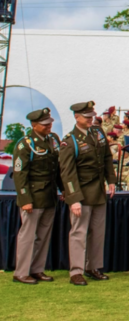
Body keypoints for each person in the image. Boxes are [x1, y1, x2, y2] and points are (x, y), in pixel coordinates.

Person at [59, 101, 117, 286]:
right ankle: (76, 271)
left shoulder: (98, 132)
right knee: (79, 232)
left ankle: (93, 267)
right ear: (77, 117)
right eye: (87, 117)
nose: (91, 119)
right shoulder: (70, 140)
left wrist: (112, 181)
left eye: (92, 116)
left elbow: (107, 157)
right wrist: (74, 198)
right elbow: (67, 172)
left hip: (98, 191)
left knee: (97, 232)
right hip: (82, 193)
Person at [11, 108, 63, 285]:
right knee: (28, 235)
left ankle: (37, 269)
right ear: (34, 125)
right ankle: (21, 272)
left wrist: (63, 190)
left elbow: (56, 169)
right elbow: (20, 174)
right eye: (45, 124)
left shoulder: (53, 140)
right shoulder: (25, 144)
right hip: (33, 196)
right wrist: (25, 200)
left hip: (49, 196)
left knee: (43, 235)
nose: (49, 126)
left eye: (50, 123)